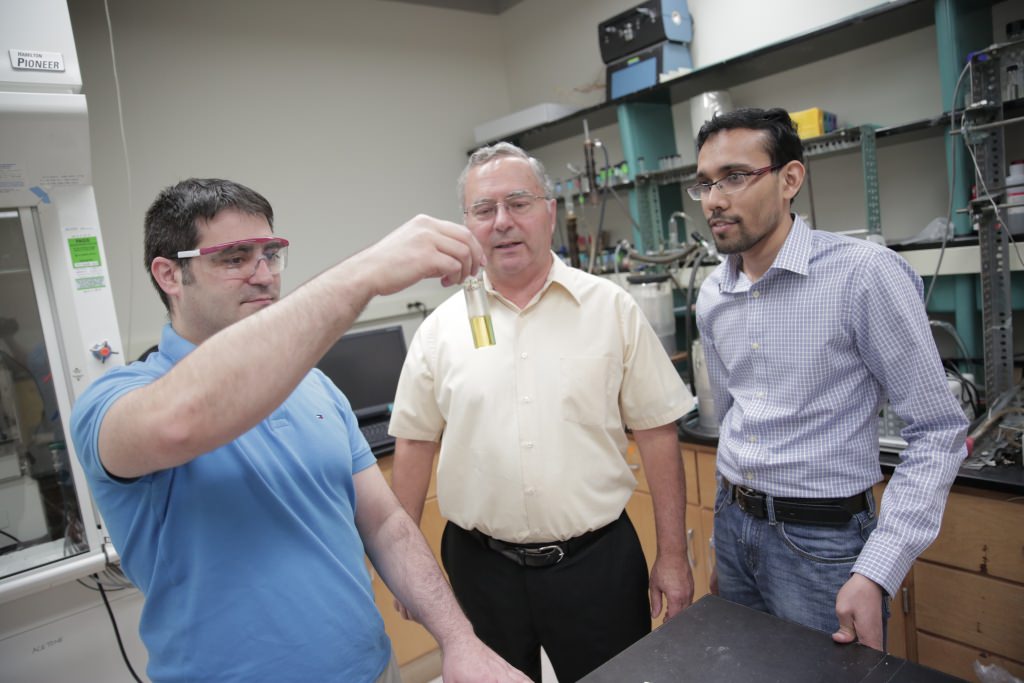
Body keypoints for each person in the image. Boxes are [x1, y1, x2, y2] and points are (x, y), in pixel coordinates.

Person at [69, 178, 531, 683]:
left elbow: (385, 525)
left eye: (271, 254)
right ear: (169, 275)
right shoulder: (116, 401)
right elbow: (180, 423)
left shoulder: (315, 388)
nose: (263, 274)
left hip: (372, 671)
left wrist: (459, 641)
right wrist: (366, 273)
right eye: (235, 258)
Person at [388, 143, 696, 683]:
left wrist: (672, 555)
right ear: (467, 224)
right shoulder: (440, 329)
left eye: (518, 203)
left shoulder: (611, 310)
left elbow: (657, 430)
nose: (502, 222)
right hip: (480, 568)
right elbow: (414, 442)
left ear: (550, 212)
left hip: (596, 564)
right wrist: (405, 570)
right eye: (484, 210)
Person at [692, 108, 968, 650]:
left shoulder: (863, 275)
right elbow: (733, 422)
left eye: (735, 177)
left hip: (823, 544)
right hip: (735, 523)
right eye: (704, 183)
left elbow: (938, 431)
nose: (714, 200)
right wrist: (731, 541)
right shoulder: (712, 295)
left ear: (790, 178)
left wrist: (876, 571)